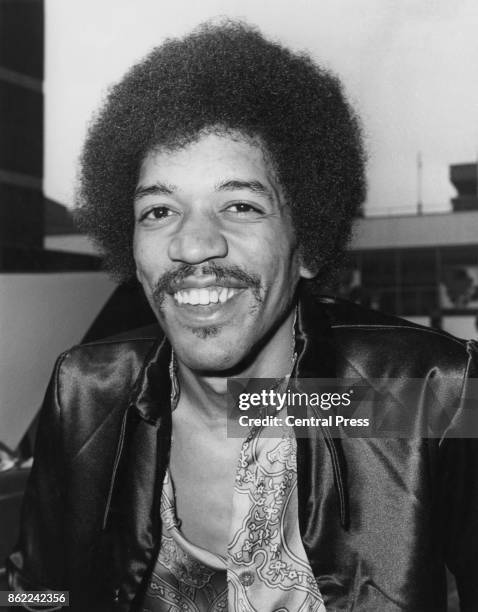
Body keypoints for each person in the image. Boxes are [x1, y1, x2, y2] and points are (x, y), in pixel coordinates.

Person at [7, 20, 478, 612]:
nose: (193, 244)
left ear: (307, 244)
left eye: (240, 205)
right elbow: (41, 594)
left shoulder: (429, 390)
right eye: (158, 210)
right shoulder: (87, 391)